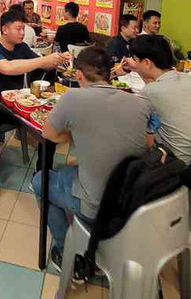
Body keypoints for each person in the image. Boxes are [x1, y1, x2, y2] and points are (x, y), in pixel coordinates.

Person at [34, 46, 155, 269]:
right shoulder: (140, 102)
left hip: (97, 204)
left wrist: (79, 132)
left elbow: (48, 134)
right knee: (72, 170)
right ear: (110, 73)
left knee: (39, 180)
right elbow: (148, 141)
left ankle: (65, 250)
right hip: (134, 199)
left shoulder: (72, 98)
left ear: (78, 74)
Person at [0, 10, 70, 237]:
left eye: (23, 28)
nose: (23, 32)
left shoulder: (22, 48)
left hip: (17, 102)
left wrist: (56, 61)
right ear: (5, 29)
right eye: (18, 28)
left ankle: (41, 177)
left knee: (50, 127)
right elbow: (8, 68)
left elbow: (36, 66)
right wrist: (42, 59)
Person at [126, 35, 191, 165]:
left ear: (147, 62)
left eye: (135, 59)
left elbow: (135, 122)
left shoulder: (152, 91)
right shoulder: (186, 78)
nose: (134, 63)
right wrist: (139, 70)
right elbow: (154, 86)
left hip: (177, 163)